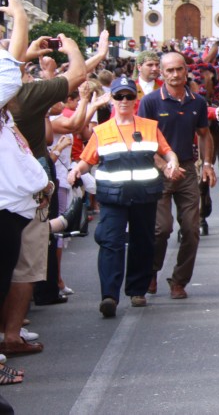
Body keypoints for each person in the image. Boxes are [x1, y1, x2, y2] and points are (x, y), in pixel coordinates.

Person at [1, 31, 87, 357]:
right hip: (16, 203)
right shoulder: (24, 95)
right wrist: (72, 48)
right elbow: (77, 75)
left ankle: (11, 334)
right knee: (22, 268)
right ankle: (10, 334)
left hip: (23, 197)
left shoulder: (15, 104)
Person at [67, 77, 178, 317]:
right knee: (110, 242)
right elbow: (87, 160)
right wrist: (76, 170)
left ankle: (137, 291)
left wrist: (172, 162)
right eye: (119, 96)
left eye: (129, 96)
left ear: (135, 99)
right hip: (113, 197)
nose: (124, 100)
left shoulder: (149, 126)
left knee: (143, 242)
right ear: (112, 99)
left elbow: (167, 151)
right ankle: (109, 296)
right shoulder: (101, 130)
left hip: (144, 195)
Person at [138, 52, 216, 300]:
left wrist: (207, 164)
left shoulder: (197, 102)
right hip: (157, 171)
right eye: (169, 70)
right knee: (161, 229)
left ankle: (179, 280)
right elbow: (143, 141)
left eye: (179, 69)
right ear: (162, 73)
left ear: (186, 71)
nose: (174, 75)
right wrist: (163, 165)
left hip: (187, 169)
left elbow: (204, 134)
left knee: (192, 229)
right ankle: (152, 270)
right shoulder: (150, 102)